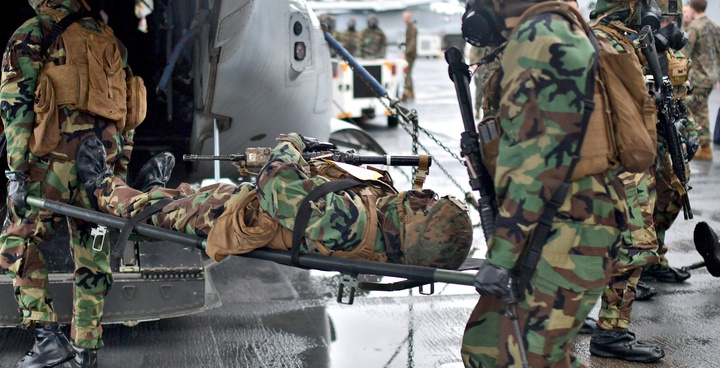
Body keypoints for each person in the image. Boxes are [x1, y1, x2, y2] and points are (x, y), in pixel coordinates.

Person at [444, 0, 664, 368]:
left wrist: (503, 255)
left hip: (568, 229)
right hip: (549, 225)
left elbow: (537, 165)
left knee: (536, 366)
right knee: (488, 350)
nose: (472, 3)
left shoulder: (545, 39)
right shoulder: (533, 35)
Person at [0, 0, 150, 368]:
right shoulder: (111, 42)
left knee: (15, 243)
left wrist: (16, 170)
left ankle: (47, 337)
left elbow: (15, 106)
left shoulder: (33, 33)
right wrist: (117, 171)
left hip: (53, 167)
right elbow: (129, 112)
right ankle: (86, 351)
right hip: (100, 166)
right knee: (93, 251)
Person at [74, 132, 474, 272]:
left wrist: (291, 146)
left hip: (234, 217)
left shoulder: (353, 224)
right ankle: (153, 193)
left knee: (160, 213)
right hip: (242, 204)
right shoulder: (385, 224)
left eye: (429, 207)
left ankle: (102, 186)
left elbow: (277, 184)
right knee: (182, 199)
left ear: (417, 228)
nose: (425, 197)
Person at [584, 0, 665, 363]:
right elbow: (627, 113)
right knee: (633, 246)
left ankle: (599, 323)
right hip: (620, 168)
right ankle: (611, 333)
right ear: (630, 0)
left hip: (614, 164)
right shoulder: (609, 45)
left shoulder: (614, 39)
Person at [643, 0, 697, 284]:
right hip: (641, 138)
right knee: (641, 205)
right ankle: (633, 270)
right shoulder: (634, 51)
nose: (672, 26)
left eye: (676, 18)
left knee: (674, 193)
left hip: (668, 135)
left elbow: (681, 98)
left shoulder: (675, 54)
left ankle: (655, 258)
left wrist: (690, 132)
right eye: (665, 19)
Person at [685, 0, 720, 159]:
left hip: (699, 76)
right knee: (701, 107)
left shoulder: (694, 27)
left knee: (699, 110)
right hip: (712, 74)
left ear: (692, 9)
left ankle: (704, 147)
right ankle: (700, 143)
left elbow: (685, 52)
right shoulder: (714, 26)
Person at [402, 11, 417, 100]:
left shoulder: (412, 28)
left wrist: (406, 53)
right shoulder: (408, 27)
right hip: (409, 53)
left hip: (410, 55)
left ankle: (409, 93)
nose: (405, 19)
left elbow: (412, 42)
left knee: (407, 73)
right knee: (406, 74)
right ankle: (408, 92)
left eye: (407, 18)